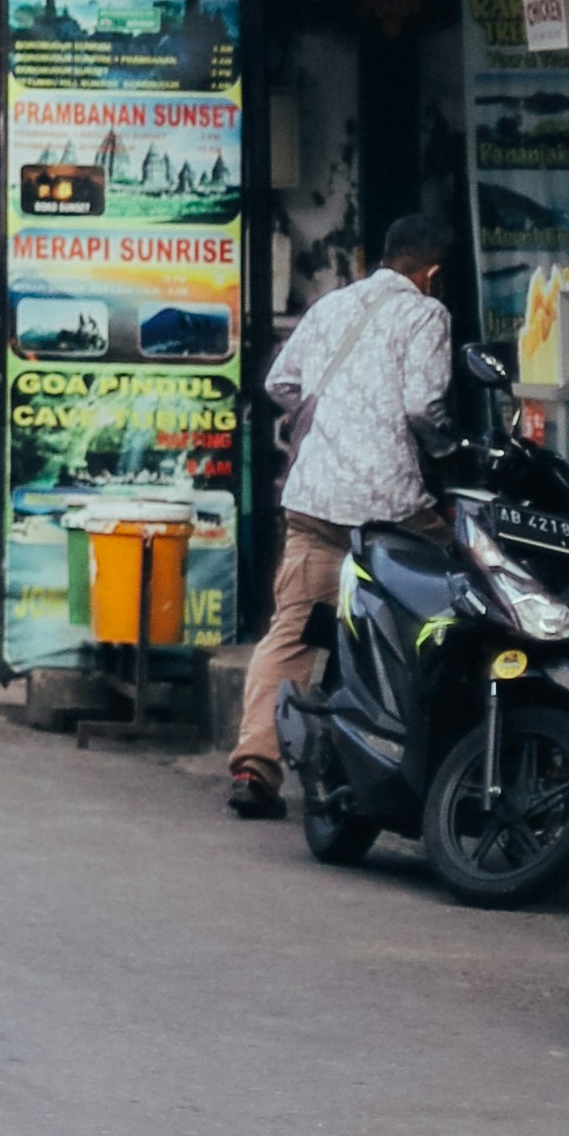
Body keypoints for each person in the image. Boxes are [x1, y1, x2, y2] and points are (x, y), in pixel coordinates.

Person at [229, 203, 459, 820]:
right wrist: (449, 449)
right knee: (458, 592)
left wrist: (331, 420)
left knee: (292, 631)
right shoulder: (425, 313)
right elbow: (422, 407)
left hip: (316, 502)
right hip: (392, 511)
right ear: (432, 273)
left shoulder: (331, 305)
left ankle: (256, 765)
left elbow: (281, 383)